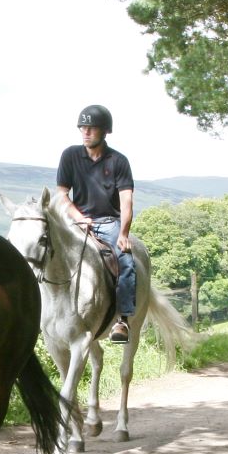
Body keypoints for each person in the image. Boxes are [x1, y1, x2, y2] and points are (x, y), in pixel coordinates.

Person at [56, 104, 137, 343]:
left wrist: (123, 233)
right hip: (77, 222)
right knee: (47, 252)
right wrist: (77, 217)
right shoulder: (70, 155)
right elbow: (61, 194)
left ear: (105, 131)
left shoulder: (119, 161)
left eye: (91, 128)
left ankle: (122, 320)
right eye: (83, 127)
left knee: (126, 260)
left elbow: (126, 201)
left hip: (109, 222)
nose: (86, 132)